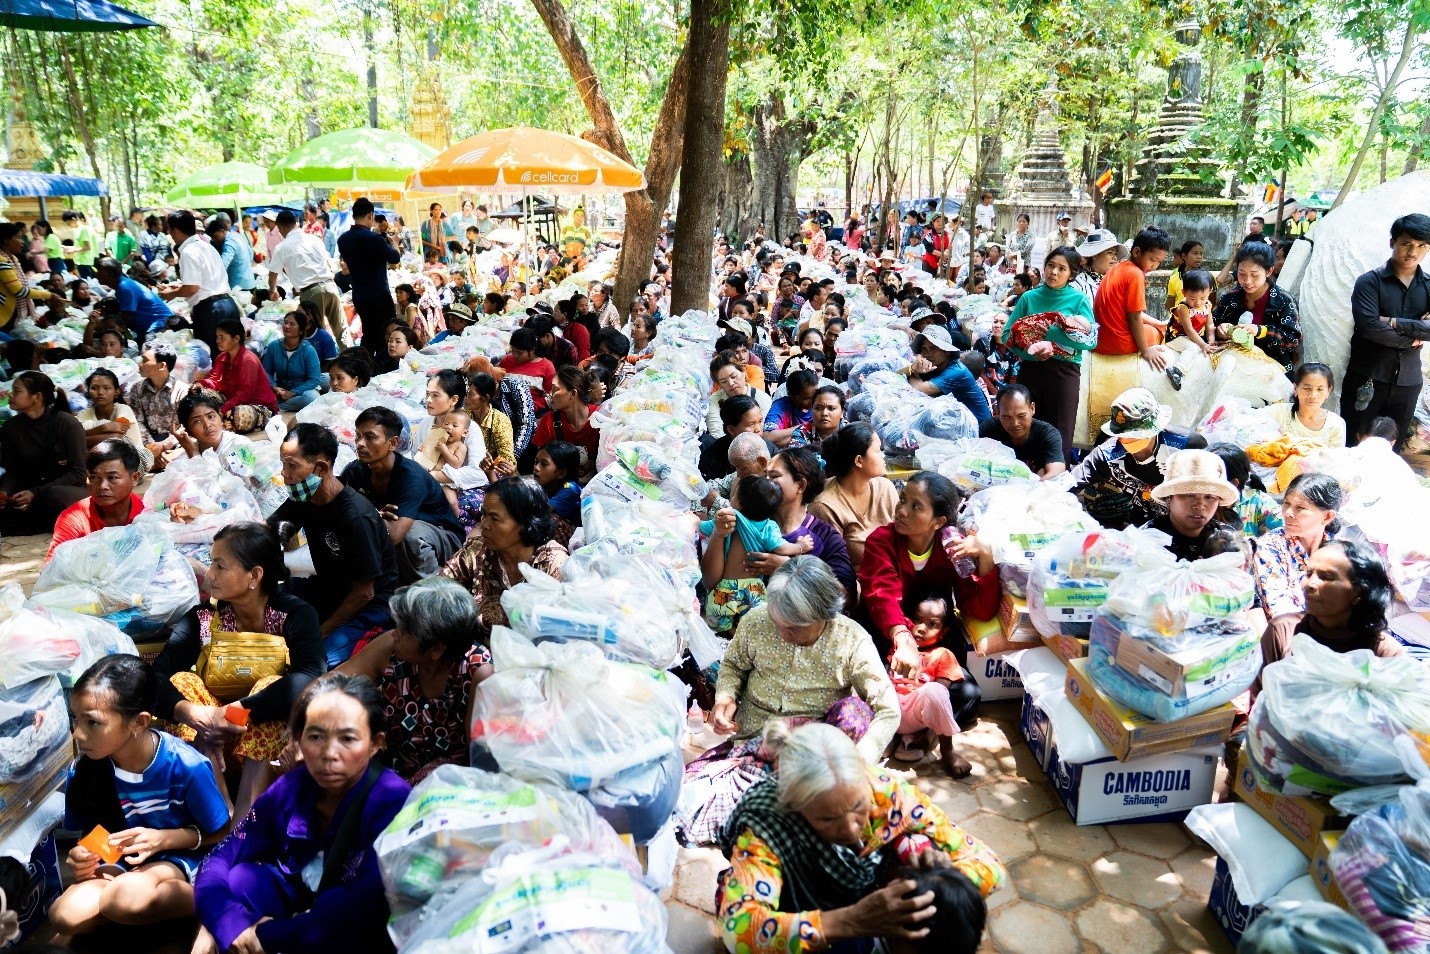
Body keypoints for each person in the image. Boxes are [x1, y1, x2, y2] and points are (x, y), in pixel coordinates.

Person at [715, 721, 1005, 953]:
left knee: (918, 846)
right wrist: (850, 921)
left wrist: (942, 875)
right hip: (802, 909)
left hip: (868, 902)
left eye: (858, 807)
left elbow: (990, 866)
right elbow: (738, 930)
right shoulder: (769, 824)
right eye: (828, 819)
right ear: (796, 807)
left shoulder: (886, 792)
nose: (852, 829)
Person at [679, 558, 902, 845]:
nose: (784, 633)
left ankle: (805, 795)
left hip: (814, 751)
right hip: (758, 742)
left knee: (856, 713)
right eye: (778, 623)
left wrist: (857, 763)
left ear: (824, 615)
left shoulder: (851, 640)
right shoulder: (757, 621)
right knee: (688, 806)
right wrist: (725, 698)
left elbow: (888, 709)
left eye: (794, 628)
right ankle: (787, 801)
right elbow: (733, 666)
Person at [192, 674, 410, 954]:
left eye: (348, 739)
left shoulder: (393, 803)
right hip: (293, 914)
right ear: (298, 740)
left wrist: (263, 934)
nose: (330, 753)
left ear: (376, 743)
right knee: (240, 879)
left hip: (350, 935)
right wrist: (223, 921)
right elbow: (221, 856)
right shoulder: (290, 789)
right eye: (316, 736)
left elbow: (360, 911)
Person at [150, 522, 325, 820]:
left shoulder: (294, 614)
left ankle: (245, 820)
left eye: (220, 566)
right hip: (211, 743)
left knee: (272, 685)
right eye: (211, 563)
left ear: (254, 575)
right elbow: (155, 677)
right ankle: (220, 812)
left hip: (268, 752)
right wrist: (194, 714)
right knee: (182, 681)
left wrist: (234, 713)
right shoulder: (203, 618)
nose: (210, 574)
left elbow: (309, 677)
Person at [49, 657, 231, 940]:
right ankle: (145, 918)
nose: (78, 733)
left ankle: (207, 904)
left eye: (93, 722)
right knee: (65, 915)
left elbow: (221, 830)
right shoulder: (87, 769)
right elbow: (89, 834)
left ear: (139, 722)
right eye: (76, 719)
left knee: (123, 899)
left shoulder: (186, 766)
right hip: (120, 864)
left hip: (182, 860)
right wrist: (81, 856)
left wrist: (165, 839)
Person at [857, 472, 998, 736]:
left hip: (933, 638)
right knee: (871, 687)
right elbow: (881, 595)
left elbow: (978, 608)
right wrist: (902, 638)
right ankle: (920, 722)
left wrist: (986, 556)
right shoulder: (881, 541)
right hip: (886, 634)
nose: (901, 511)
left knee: (968, 695)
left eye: (915, 506)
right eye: (902, 500)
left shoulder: (952, 546)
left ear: (938, 521)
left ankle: (906, 723)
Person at [335, 577, 493, 784]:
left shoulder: (477, 673)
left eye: (405, 631)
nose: (395, 635)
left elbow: (480, 759)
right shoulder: (392, 648)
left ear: (436, 649)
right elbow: (331, 685)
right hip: (392, 770)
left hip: (449, 786)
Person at [270, 424, 399, 667]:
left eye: (292, 465)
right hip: (328, 589)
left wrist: (322, 631)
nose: (284, 474)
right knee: (264, 605)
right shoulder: (305, 498)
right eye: (284, 464)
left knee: (318, 663)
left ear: (320, 468)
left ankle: (371, 642)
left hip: (370, 607)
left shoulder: (355, 518)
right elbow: (270, 531)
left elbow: (365, 592)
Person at [1254, 540, 1404, 701]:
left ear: (1359, 591)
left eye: (1326, 577)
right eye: (1309, 574)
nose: (1310, 584)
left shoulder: (1384, 652)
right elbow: (1259, 702)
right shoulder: (1282, 631)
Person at [344, 406, 465, 584]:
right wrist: (375, 518)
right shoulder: (355, 471)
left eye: (370, 437)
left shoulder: (411, 476)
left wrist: (369, 517)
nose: (360, 443)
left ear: (393, 443)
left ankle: (435, 588)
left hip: (443, 538)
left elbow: (394, 535)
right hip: (397, 535)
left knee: (409, 536)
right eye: (358, 435)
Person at [1341, 213, 1430, 447]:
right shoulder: (1369, 282)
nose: (1413, 252)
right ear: (1393, 243)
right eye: (1406, 243)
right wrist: (1414, 337)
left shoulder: (1429, 286)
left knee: (1392, 449)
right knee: (1354, 443)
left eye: (1422, 246)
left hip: (1409, 382)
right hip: (1368, 377)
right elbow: (1369, 327)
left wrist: (1393, 322)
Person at [1001, 245, 1096, 458]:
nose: (1054, 272)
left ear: (1071, 274)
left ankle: (1056, 478)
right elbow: (1007, 336)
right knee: (1025, 425)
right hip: (1030, 370)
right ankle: (1024, 475)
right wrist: (1030, 353)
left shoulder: (1079, 300)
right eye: (1051, 266)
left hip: (1064, 372)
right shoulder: (1028, 298)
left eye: (1062, 268)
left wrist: (1052, 335)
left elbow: (1090, 342)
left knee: (1061, 427)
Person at [440, 476, 567, 636]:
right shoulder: (479, 549)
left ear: (526, 523)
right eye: (484, 515)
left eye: (494, 518)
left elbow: (553, 631)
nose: (484, 524)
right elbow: (440, 585)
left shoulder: (552, 562)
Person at [701, 475, 815, 635]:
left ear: (739, 503)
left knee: (716, 627)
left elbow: (703, 527)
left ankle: (727, 635)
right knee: (753, 627)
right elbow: (781, 548)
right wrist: (800, 547)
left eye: (734, 495)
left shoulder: (731, 517)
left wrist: (694, 519)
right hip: (753, 590)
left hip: (725, 589)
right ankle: (741, 638)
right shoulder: (770, 526)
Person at [887, 591, 977, 775]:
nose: (921, 628)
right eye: (917, 620)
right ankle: (889, 736)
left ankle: (947, 751)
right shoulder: (899, 646)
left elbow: (941, 696)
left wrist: (929, 729)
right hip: (889, 708)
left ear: (943, 632)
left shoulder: (942, 654)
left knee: (935, 691)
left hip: (915, 713)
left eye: (932, 624)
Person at [1070, 387, 1177, 529]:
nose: (1124, 440)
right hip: (1136, 526)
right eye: (1121, 434)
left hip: (1182, 524)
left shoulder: (1183, 447)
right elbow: (1069, 483)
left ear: (1153, 429)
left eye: (1132, 434)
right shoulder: (1108, 453)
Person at [0, 371, 89, 535]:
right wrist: (5, 493)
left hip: (64, 489)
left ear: (37, 397)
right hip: (28, 489)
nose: (10, 395)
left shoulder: (67, 423)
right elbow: (12, 470)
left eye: (17, 391)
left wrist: (36, 492)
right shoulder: (10, 427)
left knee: (54, 497)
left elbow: (78, 473)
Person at [1254, 472, 1350, 623]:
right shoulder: (1270, 546)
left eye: (1300, 507)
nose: (1288, 513)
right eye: (1286, 503)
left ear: (1327, 517)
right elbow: (1280, 611)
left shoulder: (1340, 550)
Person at [808, 423, 899, 570]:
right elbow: (832, 568)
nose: (883, 456)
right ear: (858, 461)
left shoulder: (885, 488)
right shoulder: (824, 506)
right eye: (877, 450)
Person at [1210, 241, 1301, 378]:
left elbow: (1292, 340)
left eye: (1254, 275)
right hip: (1231, 369)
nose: (1247, 281)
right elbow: (1209, 324)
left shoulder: (1284, 300)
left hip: (1271, 373)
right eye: (1242, 274)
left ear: (1269, 271)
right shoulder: (1229, 297)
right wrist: (1219, 329)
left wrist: (1261, 331)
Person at [46, 440, 146, 561]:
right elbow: (51, 568)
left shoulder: (148, 511)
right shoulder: (74, 519)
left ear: (135, 478)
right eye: (94, 477)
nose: (102, 486)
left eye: (112, 477)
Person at [1092, 225, 1171, 372]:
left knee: (1156, 327)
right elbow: (1134, 316)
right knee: (1155, 333)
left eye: (1159, 262)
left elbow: (1132, 311)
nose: (1155, 266)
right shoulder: (1135, 274)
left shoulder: (1118, 267)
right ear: (1137, 252)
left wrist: (1160, 323)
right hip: (1118, 343)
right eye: (1153, 259)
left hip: (1101, 339)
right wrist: (1146, 350)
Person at [157, 211, 234, 352]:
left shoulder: (188, 251)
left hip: (211, 310)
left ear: (175, 231)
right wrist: (178, 286)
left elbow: (192, 288)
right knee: (230, 356)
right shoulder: (206, 246)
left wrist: (171, 293)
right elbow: (204, 281)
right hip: (227, 304)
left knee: (214, 357)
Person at [1145, 449, 1240, 561]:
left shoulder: (1228, 539)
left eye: (1209, 497)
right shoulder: (1148, 541)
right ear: (1169, 497)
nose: (1200, 505)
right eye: (1190, 495)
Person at [268, 210, 344, 348]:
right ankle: (352, 361)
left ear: (281, 227)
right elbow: (327, 262)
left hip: (311, 292)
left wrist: (272, 290)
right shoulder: (314, 239)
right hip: (330, 285)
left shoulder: (282, 247)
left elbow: (273, 273)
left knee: (314, 334)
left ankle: (320, 366)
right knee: (341, 329)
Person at [338, 197, 401, 359]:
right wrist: (394, 242)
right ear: (370, 215)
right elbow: (394, 258)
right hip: (379, 293)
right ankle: (383, 365)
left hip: (359, 294)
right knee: (387, 332)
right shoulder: (374, 239)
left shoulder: (343, 240)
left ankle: (364, 364)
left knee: (369, 332)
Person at [195, 318, 278, 433]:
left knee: (237, 415)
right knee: (200, 394)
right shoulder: (222, 358)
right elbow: (213, 379)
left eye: (222, 337)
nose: (218, 341)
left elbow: (245, 393)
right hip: (233, 401)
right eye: (217, 337)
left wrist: (223, 409)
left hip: (259, 406)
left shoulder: (248, 360)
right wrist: (200, 384)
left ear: (236, 338)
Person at [899, 325, 991, 424]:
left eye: (933, 348)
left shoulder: (957, 371)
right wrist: (912, 368)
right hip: (957, 420)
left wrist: (914, 372)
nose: (928, 354)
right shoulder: (935, 365)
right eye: (924, 349)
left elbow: (919, 389)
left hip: (979, 427)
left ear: (946, 351)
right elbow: (897, 374)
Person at [76, 368, 153, 475]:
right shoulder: (84, 414)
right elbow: (74, 434)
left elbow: (117, 438)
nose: (100, 392)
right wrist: (105, 428)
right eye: (94, 388)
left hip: (134, 463)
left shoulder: (123, 409)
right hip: (102, 463)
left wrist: (83, 439)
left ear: (116, 392)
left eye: (106, 388)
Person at [528, 365, 601, 478]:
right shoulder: (548, 422)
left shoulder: (600, 418)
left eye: (555, 389)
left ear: (573, 394)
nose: (550, 394)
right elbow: (542, 465)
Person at [979, 385, 1066, 478]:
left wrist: (1031, 489)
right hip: (995, 486)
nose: (1015, 423)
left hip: (1035, 488)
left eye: (1021, 416)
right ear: (997, 412)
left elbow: (1057, 471)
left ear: (1032, 408)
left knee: (1043, 473)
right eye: (1006, 417)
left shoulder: (1047, 434)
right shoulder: (988, 430)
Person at [1259, 362, 1346, 450]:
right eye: (1307, 388)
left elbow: (1335, 460)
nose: (1313, 395)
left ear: (1328, 390)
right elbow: (1250, 421)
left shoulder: (1335, 424)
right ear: (1296, 388)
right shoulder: (1278, 413)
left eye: (1320, 389)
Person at [1208, 443, 1282, 539]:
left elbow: (1286, 530)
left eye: (1211, 482)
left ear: (1233, 484)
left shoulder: (1259, 503)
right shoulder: (1196, 503)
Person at [96, 256, 171, 344]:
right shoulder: (123, 283)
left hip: (159, 326)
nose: (97, 274)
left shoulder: (124, 287)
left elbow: (125, 318)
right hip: (154, 326)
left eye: (100, 271)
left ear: (110, 273)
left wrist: (102, 331)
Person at [261, 309, 323, 412]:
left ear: (301, 330)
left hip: (301, 389)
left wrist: (292, 393)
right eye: (285, 323)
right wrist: (273, 387)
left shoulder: (308, 350)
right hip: (280, 389)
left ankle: (279, 407)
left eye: (291, 324)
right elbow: (267, 371)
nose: (286, 326)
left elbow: (314, 379)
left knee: (312, 397)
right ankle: (279, 404)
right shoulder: (274, 346)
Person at [700, 395, 772, 481]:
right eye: (751, 424)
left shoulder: (770, 450)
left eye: (760, 421)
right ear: (731, 429)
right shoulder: (711, 459)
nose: (758, 429)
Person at [0, 222, 55, 330]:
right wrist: (49, 295)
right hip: (4, 314)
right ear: (6, 240)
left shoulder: (13, 259)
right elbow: (19, 291)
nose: (22, 243)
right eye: (18, 238)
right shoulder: (2, 262)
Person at [707, 349, 773, 435]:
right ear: (719, 384)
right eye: (723, 381)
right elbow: (716, 431)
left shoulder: (762, 398)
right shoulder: (715, 400)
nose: (730, 383)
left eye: (733, 376)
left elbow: (764, 430)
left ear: (743, 372)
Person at [498, 326, 557, 415]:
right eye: (513, 351)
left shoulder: (547, 367)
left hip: (533, 412)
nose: (515, 355)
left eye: (520, 353)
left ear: (532, 350)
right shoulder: (506, 361)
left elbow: (551, 395)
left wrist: (530, 407)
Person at [764, 369, 820, 448]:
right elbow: (768, 437)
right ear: (791, 395)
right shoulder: (782, 406)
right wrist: (807, 427)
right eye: (806, 398)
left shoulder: (821, 403)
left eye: (815, 395)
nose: (813, 401)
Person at [1166, 268, 1218, 353]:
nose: (1198, 302)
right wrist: (1203, 345)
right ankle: (1178, 367)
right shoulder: (1183, 308)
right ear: (1184, 293)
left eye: (1202, 298)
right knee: (1193, 349)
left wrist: (1211, 340)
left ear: (1209, 292)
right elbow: (1189, 329)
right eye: (1192, 298)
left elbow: (1210, 325)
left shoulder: (1207, 305)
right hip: (1177, 338)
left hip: (1194, 338)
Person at [532, 440, 582, 526]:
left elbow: (542, 510)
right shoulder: (546, 482)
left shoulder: (571, 489)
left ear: (561, 473)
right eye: (536, 462)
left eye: (544, 464)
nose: (536, 468)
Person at [791, 385, 844, 450]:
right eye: (818, 408)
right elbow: (795, 457)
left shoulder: (851, 432)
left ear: (842, 413)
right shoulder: (802, 432)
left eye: (831, 408)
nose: (824, 413)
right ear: (811, 410)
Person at [1164, 240, 1205, 312]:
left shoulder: (1208, 278)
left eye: (1201, 254)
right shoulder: (1174, 278)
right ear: (1184, 256)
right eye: (1195, 253)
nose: (1199, 257)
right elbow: (1169, 305)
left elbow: (1212, 303)